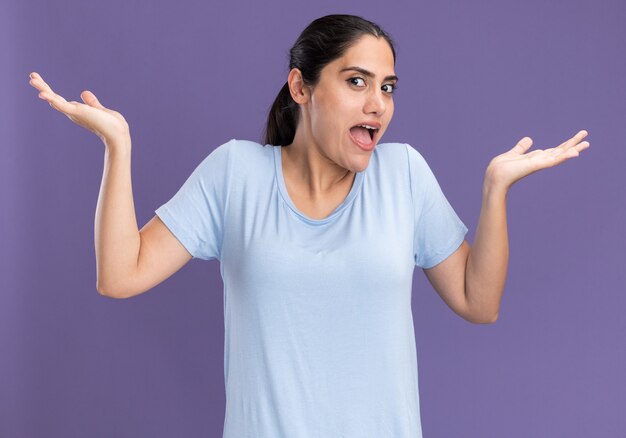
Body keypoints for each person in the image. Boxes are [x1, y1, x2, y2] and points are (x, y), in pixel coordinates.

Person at [29, 13, 590, 438]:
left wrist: (494, 191)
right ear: (301, 88)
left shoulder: (405, 175)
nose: (377, 104)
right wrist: (117, 146)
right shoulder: (236, 173)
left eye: (387, 87)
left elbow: (479, 302)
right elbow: (119, 276)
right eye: (356, 81)